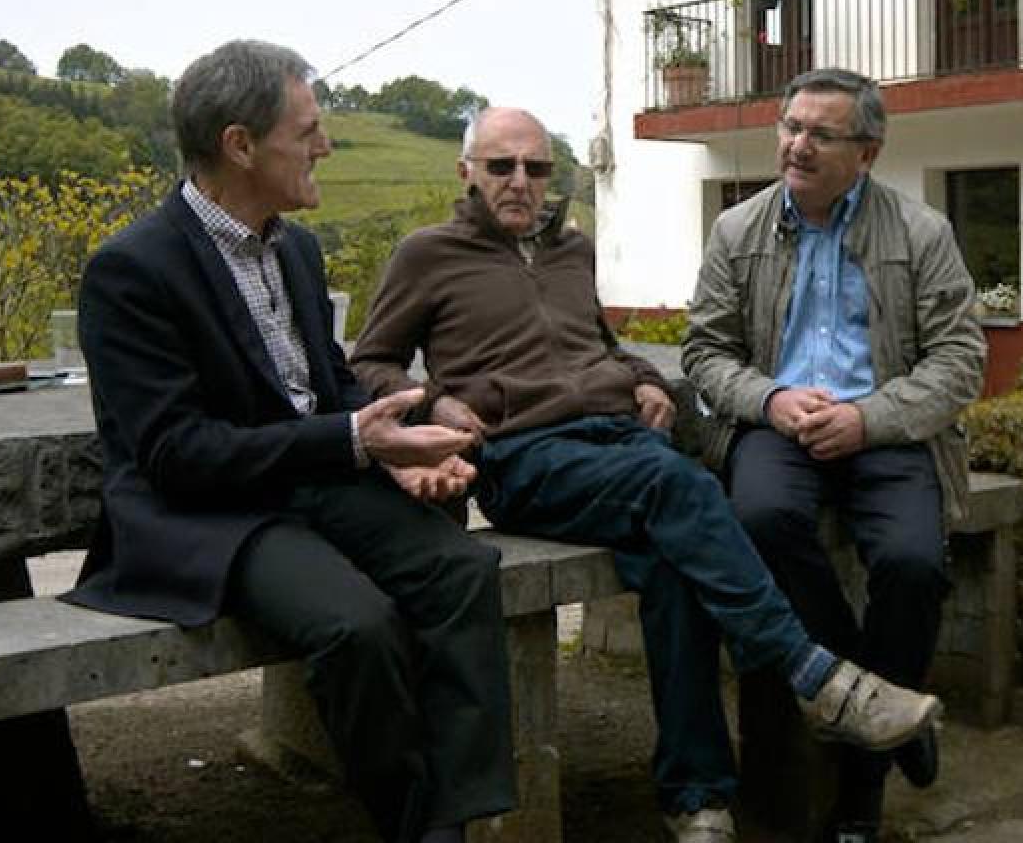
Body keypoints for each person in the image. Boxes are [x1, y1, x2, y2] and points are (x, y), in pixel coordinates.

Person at [350, 105, 942, 843]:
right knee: (687, 488)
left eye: (536, 168)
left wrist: (640, 377)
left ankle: (697, 799)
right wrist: (436, 399)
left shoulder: (572, 250)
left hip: (617, 441)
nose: (521, 183)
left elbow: (593, 341)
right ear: (465, 171)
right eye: (501, 167)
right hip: (522, 457)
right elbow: (369, 362)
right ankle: (817, 679)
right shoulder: (426, 254)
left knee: (675, 571)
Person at [65, 40, 516, 843]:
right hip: (207, 513)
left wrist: (401, 454)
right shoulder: (131, 270)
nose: (326, 144)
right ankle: (418, 828)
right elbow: (175, 453)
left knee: (464, 571)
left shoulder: (297, 248)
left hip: (311, 487)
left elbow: (330, 386)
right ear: (240, 145)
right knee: (359, 626)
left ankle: (462, 814)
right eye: (308, 128)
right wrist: (352, 441)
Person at [682, 67, 986, 843]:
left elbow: (959, 361)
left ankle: (860, 793)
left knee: (914, 563)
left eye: (822, 133)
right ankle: (877, 698)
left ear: (868, 151)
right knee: (759, 516)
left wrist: (868, 417)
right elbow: (706, 353)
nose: (797, 145)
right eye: (790, 127)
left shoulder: (921, 233)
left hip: (884, 430)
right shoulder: (736, 230)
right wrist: (771, 401)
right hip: (778, 429)